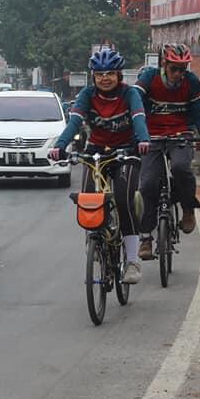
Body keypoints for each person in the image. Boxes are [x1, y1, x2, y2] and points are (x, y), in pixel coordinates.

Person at [48, 47, 150, 284]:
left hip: (127, 151)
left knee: (123, 199)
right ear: (93, 76)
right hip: (96, 151)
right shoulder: (87, 95)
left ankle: (133, 260)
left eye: (111, 73)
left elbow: (138, 118)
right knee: (88, 198)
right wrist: (61, 145)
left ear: (119, 75)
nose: (105, 78)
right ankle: (94, 239)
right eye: (100, 74)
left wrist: (144, 139)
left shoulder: (130, 94)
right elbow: (75, 122)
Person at [134, 44, 200, 260]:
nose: (179, 74)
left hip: (180, 134)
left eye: (183, 68)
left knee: (181, 167)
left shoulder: (192, 82)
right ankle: (145, 238)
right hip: (151, 136)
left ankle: (188, 208)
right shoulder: (148, 78)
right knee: (147, 183)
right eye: (175, 69)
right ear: (164, 64)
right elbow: (134, 104)